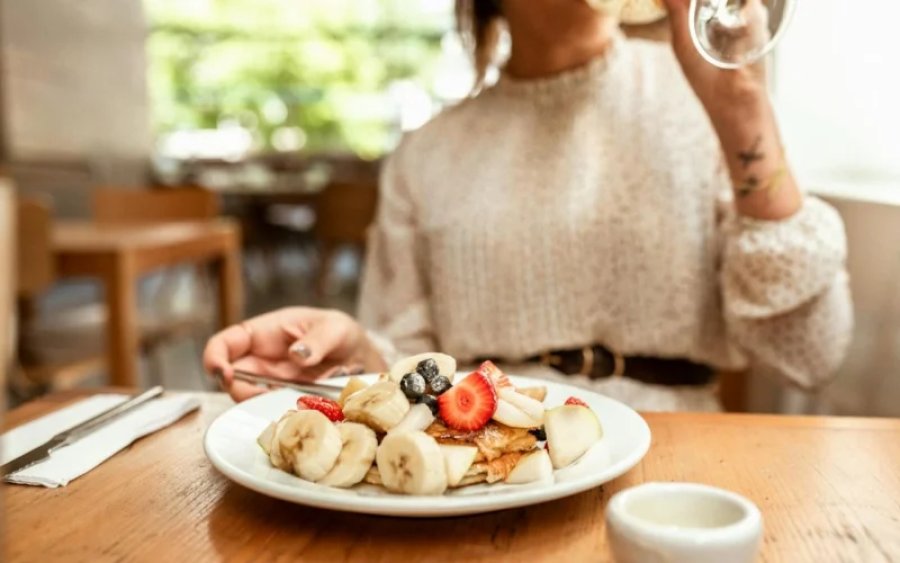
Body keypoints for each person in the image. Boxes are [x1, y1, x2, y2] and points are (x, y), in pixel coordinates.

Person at [204, 0, 852, 411]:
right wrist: (355, 358)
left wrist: (741, 108)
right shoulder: (427, 153)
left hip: (670, 474)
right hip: (483, 475)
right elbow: (411, 373)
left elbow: (814, 351)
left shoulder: (707, 102)